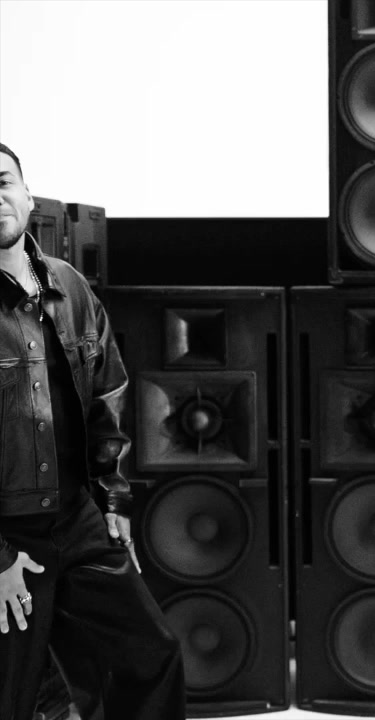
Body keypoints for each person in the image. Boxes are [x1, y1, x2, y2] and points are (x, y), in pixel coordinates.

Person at [0, 142, 184, 720]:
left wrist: (113, 498)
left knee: (151, 656)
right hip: (9, 533)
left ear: (27, 195)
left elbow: (106, 394)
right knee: (18, 698)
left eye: (2, 182)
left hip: (78, 517)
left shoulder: (70, 286)